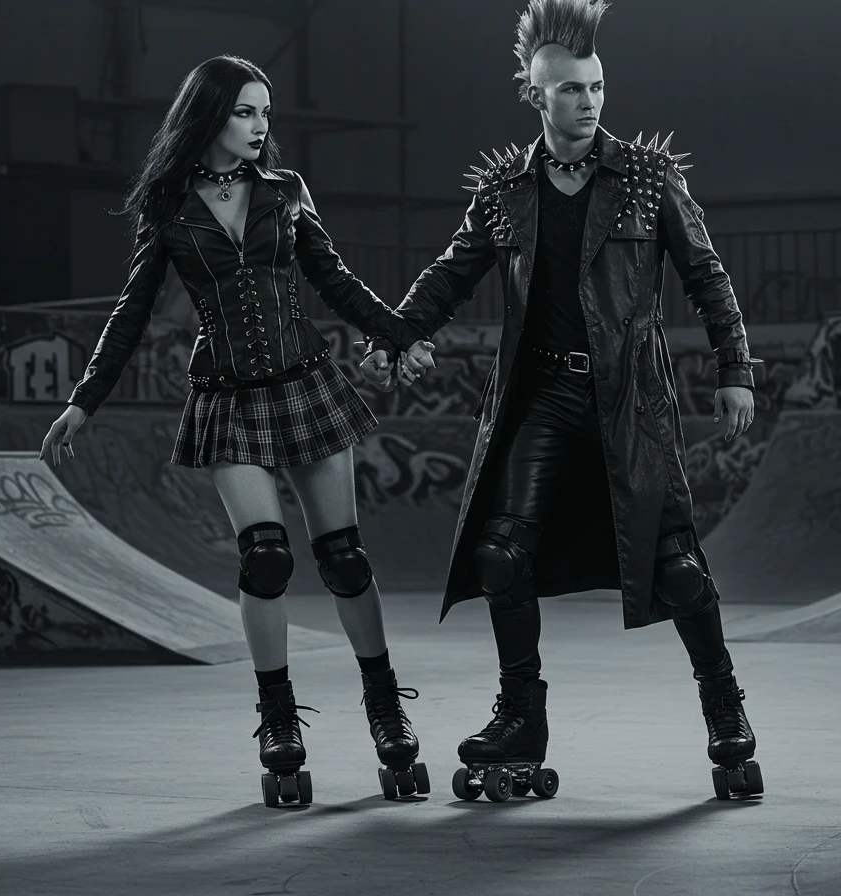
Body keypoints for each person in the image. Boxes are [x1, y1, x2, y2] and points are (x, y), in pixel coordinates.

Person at [361, 0, 765, 802]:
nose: (589, 100)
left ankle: (724, 709)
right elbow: (451, 273)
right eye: (571, 90)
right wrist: (399, 332)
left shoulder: (649, 178)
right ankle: (521, 714)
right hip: (541, 393)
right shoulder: (508, 191)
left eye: (597, 86)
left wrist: (736, 368)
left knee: (679, 569)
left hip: (629, 400)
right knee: (500, 553)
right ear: (534, 96)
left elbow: (707, 274)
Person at [39, 55, 437, 807]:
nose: (261, 127)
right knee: (266, 561)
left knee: (344, 559)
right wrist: (84, 399)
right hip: (226, 398)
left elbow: (334, 278)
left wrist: (401, 333)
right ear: (210, 116)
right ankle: (279, 721)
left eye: (266, 113)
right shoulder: (167, 206)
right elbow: (131, 311)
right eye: (246, 113)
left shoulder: (286, 193)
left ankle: (386, 709)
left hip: (305, 384)